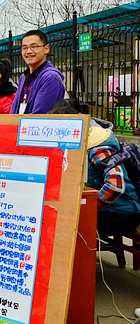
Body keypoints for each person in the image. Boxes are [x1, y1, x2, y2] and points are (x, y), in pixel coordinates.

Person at [49, 98, 140, 237]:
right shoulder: (72, 148)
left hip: (121, 214)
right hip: (109, 210)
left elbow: (115, 185)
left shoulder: (97, 147)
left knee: (60, 222)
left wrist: (89, 207)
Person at [10, 29, 66, 114]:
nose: (28, 51)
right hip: (20, 122)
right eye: (24, 48)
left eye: (34, 47)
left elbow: (40, 116)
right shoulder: (24, 77)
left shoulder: (51, 78)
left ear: (46, 49)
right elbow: (14, 110)